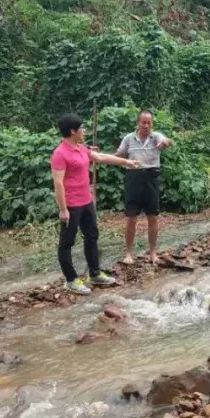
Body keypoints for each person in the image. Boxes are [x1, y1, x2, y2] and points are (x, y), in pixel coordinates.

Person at [51, 113, 138, 295]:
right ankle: (71, 280)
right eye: (82, 128)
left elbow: (101, 158)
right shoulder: (60, 153)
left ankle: (95, 274)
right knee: (67, 243)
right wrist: (63, 209)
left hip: (86, 202)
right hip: (71, 205)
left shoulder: (81, 148)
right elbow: (58, 183)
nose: (84, 131)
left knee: (92, 237)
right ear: (73, 131)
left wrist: (126, 162)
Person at [116, 109, 173, 264]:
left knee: (153, 216)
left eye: (149, 122)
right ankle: (128, 253)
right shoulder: (129, 138)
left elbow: (167, 141)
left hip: (151, 178)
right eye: (143, 122)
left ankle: (153, 253)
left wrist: (165, 142)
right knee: (131, 217)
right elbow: (119, 154)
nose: (146, 125)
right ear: (138, 123)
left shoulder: (156, 137)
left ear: (152, 123)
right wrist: (101, 156)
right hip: (133, 178)